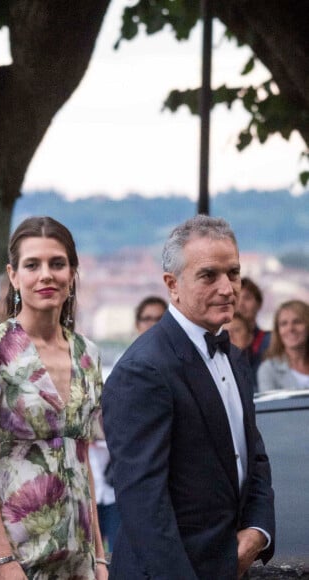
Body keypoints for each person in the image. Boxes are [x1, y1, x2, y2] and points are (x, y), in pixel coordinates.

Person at [103, 214, 275, 580]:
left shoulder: (233, 355)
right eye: (208, 275)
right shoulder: (143, 370)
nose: (228, 288)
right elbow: (144, 506)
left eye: (233, 272)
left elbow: (254, 456)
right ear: (172, 284)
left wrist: (258, 532)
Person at [0, 216, 108, 579]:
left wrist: (101, 557)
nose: (46, 275)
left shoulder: (87, 353)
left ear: (72, 273)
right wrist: (0, 557)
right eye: (32, 265)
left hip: (80, 558)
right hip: (19, 555)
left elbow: (83, 457)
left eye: (57, 264)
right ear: (13, 276)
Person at [257, 299, 309, 392]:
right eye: (284, 324)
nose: (290, 328)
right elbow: (270, 406)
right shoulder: (268, 369)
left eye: (297, 322)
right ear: (278, 331)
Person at [238, 277, 271, 377]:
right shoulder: (219, 340)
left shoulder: (270, 341)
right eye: (236, 298)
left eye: (247, 298)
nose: (240, 304)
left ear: (259, 304)